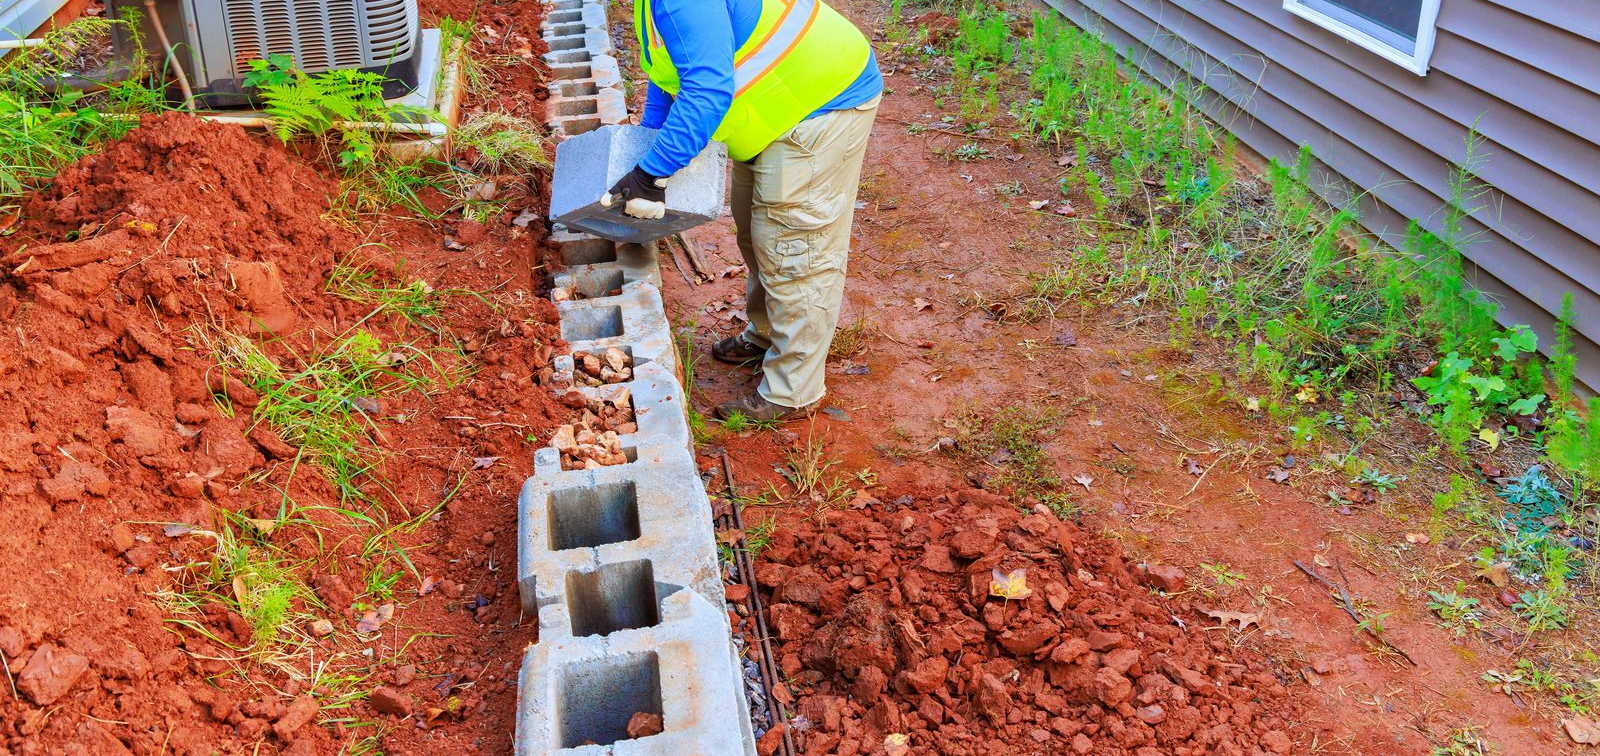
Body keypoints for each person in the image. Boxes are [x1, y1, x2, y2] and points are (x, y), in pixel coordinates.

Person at [602, 0, 882, 422]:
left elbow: (708, 89)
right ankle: (768, 333)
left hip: (820, 100)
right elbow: (670, 74)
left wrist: (652, 173)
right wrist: (649, 145)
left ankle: (794, 390)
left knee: (794, 248)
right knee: (755, 231)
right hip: (776, 102)